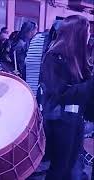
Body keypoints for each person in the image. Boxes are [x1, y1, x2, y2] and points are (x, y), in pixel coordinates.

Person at [39, 15, 93, 180]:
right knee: (60, 169)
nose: (90, 34)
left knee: (71, 168)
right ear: (78, 33)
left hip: (74, 120)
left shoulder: (77, 56)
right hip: (59, 122)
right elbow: (61, 94)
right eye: (88, 31)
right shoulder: (54, 56)